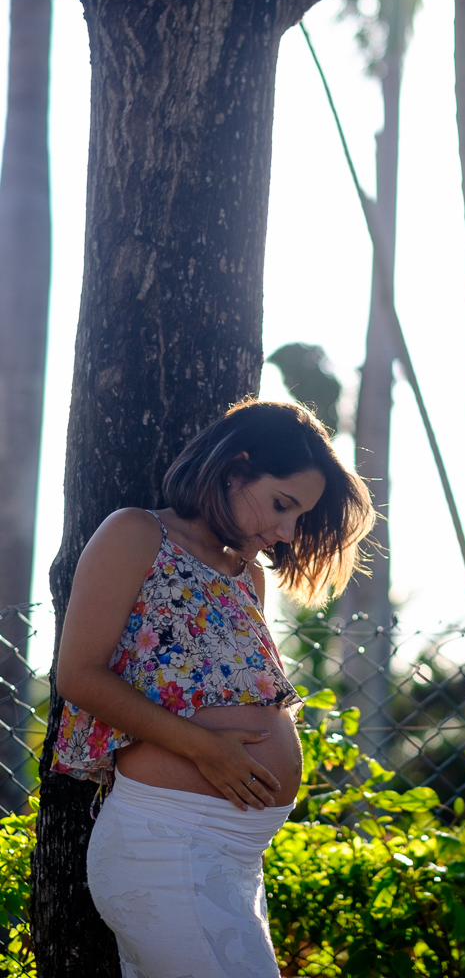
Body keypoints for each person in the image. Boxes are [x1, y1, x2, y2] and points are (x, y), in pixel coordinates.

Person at [53, 398, 375, 978]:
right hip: (165, 844)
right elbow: (78, 675)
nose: (286, 531)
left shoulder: (247, 574)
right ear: (236, 467)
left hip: (234, 859)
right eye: (282, 504)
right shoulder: (137, 533)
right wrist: (206, 750)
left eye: (298, 516)